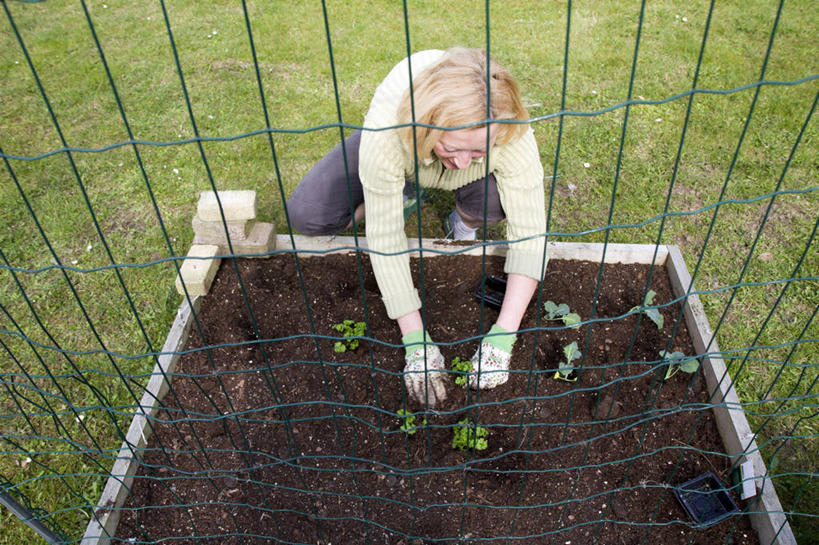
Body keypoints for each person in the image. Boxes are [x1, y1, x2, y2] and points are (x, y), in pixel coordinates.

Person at [287, 47, 547, 406]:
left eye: (477, 152)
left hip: (451, 160)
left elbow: (531, 232)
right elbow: (385, 239)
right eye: (452, 148)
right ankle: (404, 188)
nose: (460, 162)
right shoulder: (389, 129)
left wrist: (503, 338)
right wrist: (416, 344)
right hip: (405, 153)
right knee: (307, 216)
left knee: (495, 203)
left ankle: (461, 220)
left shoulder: (508, 128)